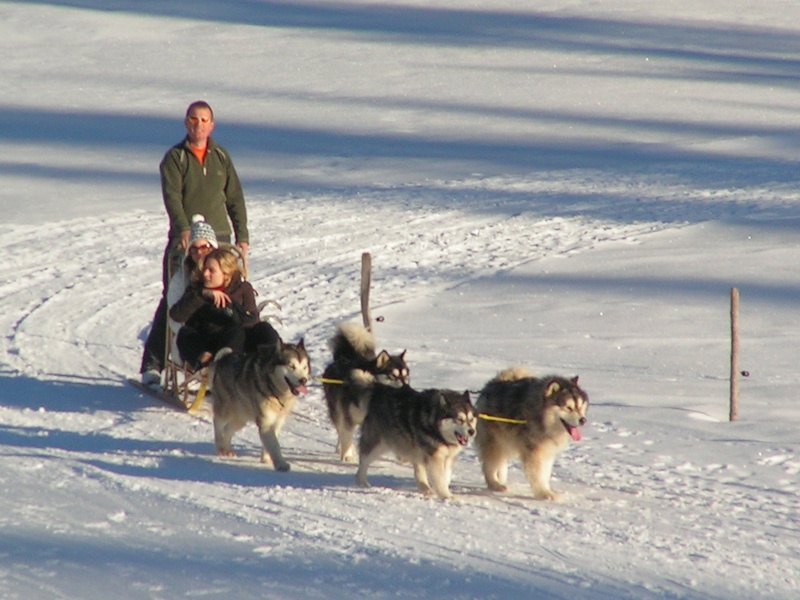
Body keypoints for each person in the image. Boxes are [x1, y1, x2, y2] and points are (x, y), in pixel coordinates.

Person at [140, 100, 250, 387]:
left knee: (227, 298)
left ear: (211, 125)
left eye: (204, 120)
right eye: (193, 119)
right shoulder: (175, 158)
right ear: (186, 123)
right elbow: (172, 197)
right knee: (176, 299)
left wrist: (243, 236)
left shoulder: (221, 157)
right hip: (186, 242)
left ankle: (225, 364)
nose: (198, 124)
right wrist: (184, 227)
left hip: (221, 242)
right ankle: (154, 363)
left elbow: (234, 196)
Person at [169, 247, 279, 370]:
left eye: (211, 270)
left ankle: (276, 362)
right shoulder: (197, 290)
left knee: (262, 328)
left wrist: (230, 309)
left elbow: (252, 321)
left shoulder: (243, 288)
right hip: (208, 343)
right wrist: (203, 295)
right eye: (205, 269)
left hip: (237, 343)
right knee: (184, 333)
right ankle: (212, 365)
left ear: (226, 274)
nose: (205, 274)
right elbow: (176, 315)